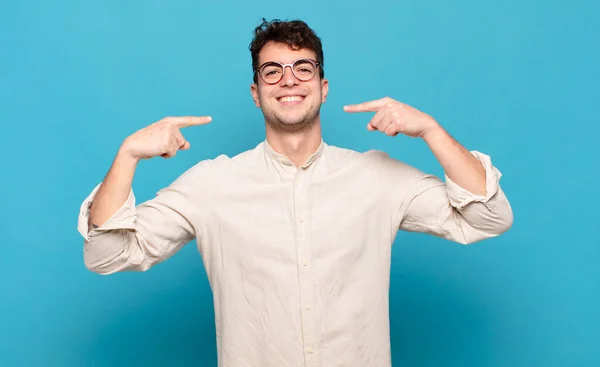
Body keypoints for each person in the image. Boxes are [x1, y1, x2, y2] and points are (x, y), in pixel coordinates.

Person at [77, 18, 513, 367]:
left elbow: (489, 217)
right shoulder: (211, 185)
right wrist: (128, 154)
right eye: (273, 71)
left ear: (322, 87)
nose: (289, 80)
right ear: (256, 93)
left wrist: (432, 132)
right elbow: (106, 255)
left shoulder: (378, 177)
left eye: (303, 68)